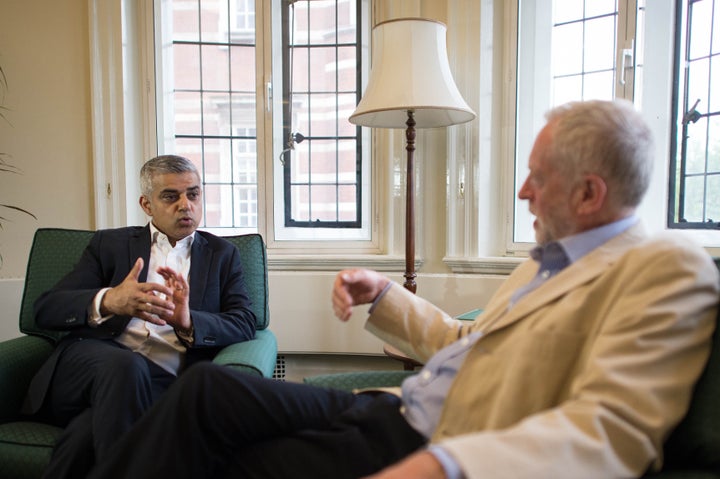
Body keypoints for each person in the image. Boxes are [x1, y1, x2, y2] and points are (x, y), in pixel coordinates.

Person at [89, 100, 719, 479]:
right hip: (392, 404)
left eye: (537, 177)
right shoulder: (545, 262)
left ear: (589, 194)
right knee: (208, 388)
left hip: (439, 438)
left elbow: (613, 428)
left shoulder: (666, 270)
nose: (523, 192)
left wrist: (447, 465)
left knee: (231, 462)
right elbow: (468, 341)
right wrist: (383, 292)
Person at [22, 155, 258, 478]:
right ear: (146, 204)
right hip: (91, 365)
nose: (185, 205)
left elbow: (245, 321)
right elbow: (45, 309)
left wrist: (188, 321)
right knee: (125, 365)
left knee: (83, 437)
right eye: (170, 196)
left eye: (193, 194)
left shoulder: (222, 255)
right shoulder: (110, 244)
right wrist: (109, 301)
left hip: (159, 381)